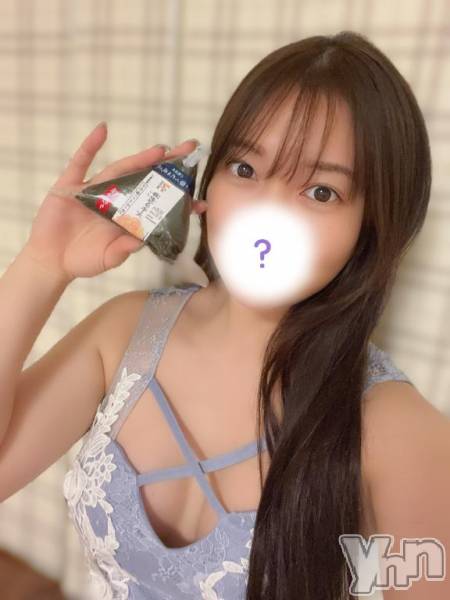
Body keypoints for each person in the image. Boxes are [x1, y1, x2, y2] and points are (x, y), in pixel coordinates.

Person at [1, 30, 449, 600]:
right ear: (207, 183)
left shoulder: (399, 433)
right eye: (245, 168)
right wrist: (42, 265)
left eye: (321, 192)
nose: (266, 212)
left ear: (373, 228)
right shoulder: (125, 333)